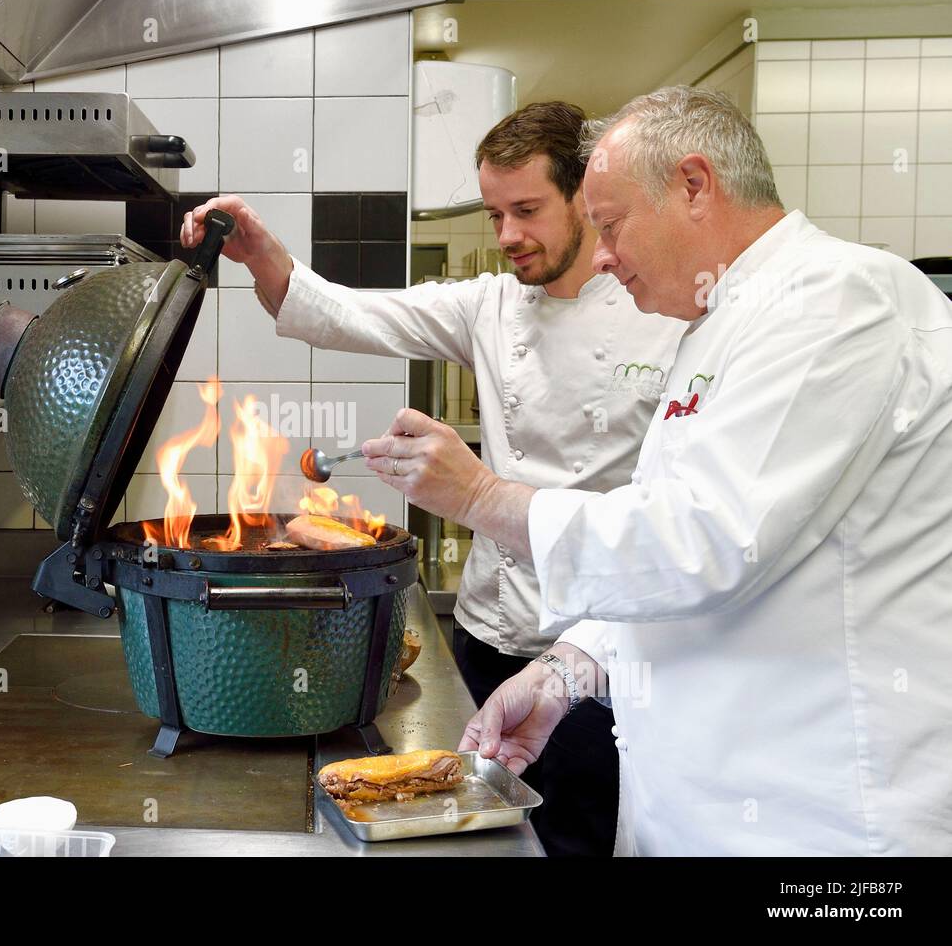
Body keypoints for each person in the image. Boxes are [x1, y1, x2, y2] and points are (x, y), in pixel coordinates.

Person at [359, 85, 951, 854]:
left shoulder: (839, 301)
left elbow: (705, 543)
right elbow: (661, 530)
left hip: (818, 822)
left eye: (610, 224)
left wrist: (480, 496)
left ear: (695, 185)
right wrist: (566, 671)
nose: (602, 255)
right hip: (692, 809)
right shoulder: (713, 328)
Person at [181, 102, 684, 855]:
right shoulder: (491, 304)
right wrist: (261, 254)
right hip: (486, 631)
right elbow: (352, 315)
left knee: (572, 836)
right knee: (472, 835)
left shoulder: (660, 314)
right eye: (494, 214)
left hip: (592, 646)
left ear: (586, 196)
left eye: (527, 210)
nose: (508, 235)